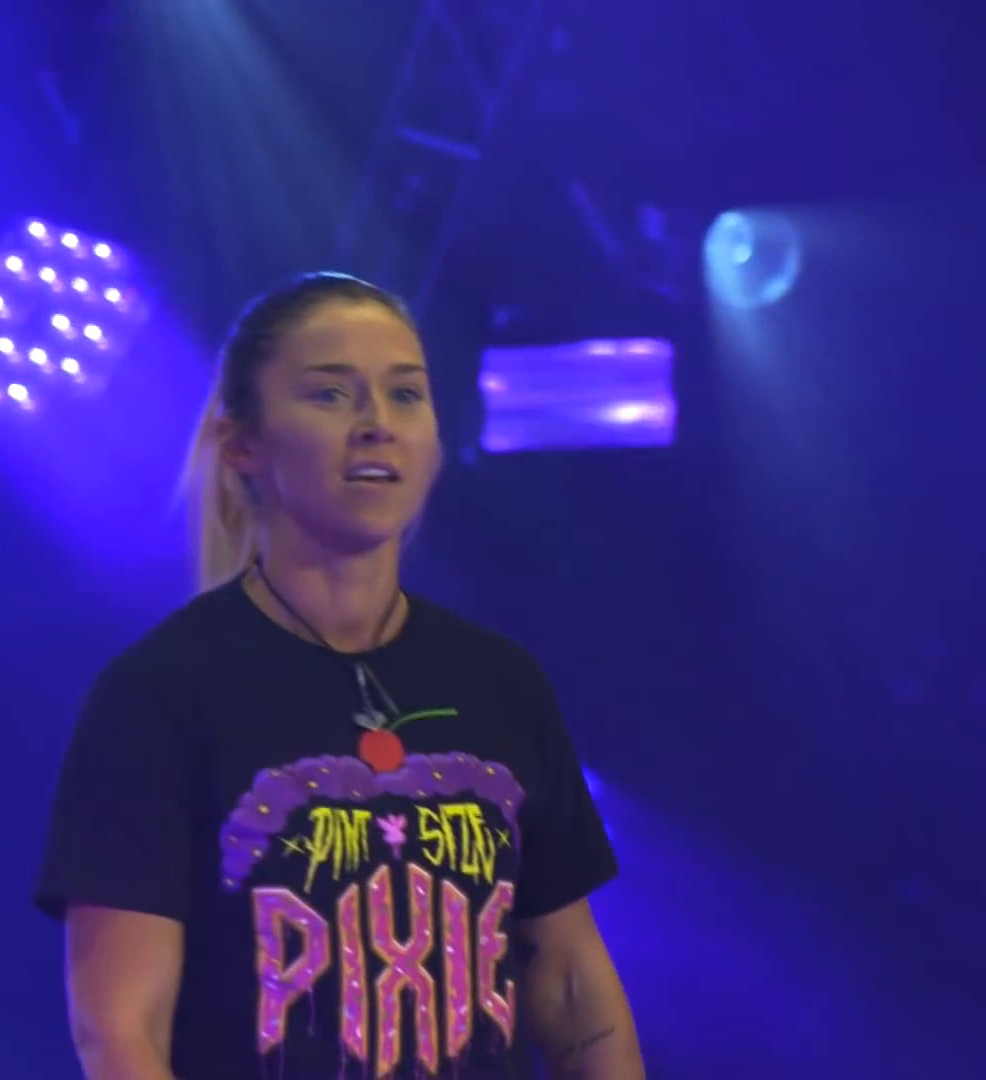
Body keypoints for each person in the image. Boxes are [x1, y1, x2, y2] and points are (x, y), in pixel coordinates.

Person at [35, 272, 643, 1078]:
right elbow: (119, 1029)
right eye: (330, 394)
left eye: (406, 394)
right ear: (243, 444)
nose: (377, 425)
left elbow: (571, 985)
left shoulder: (501, 682)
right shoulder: (160, 695)